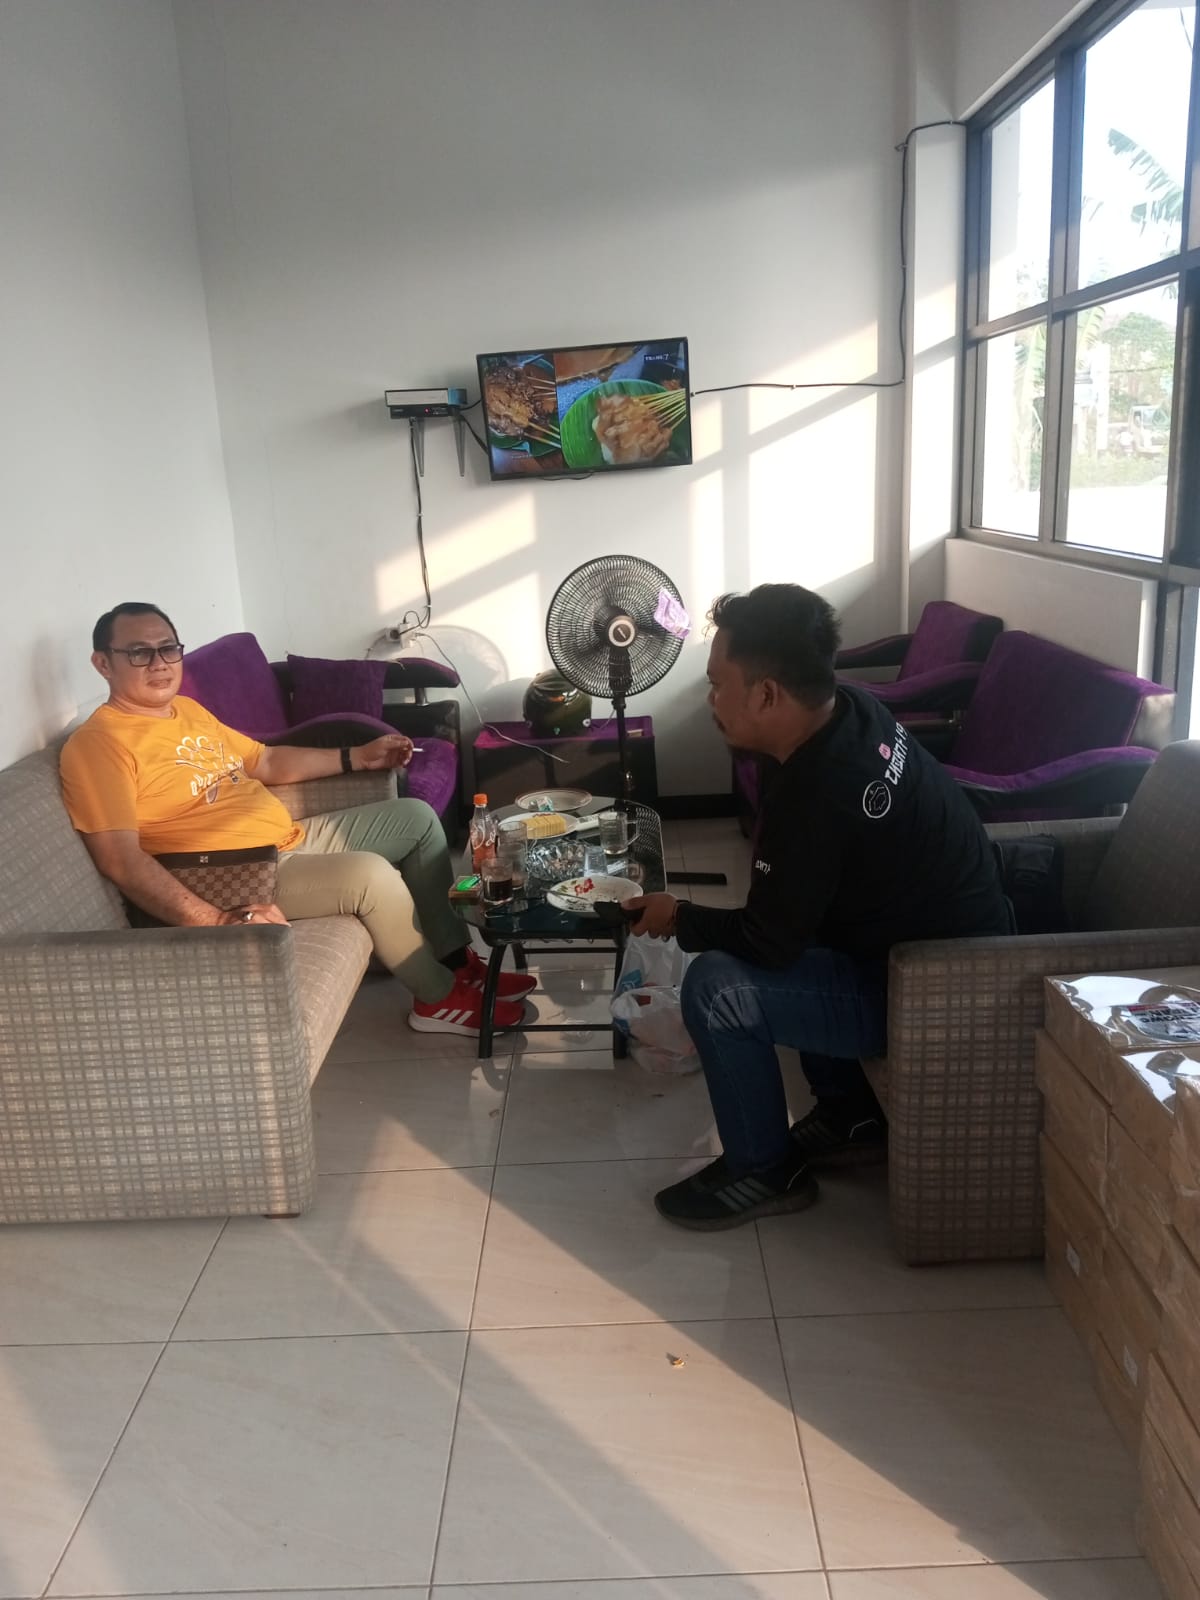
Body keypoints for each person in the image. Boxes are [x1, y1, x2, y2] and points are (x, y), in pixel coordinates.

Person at [627, 584, 1012, 1230]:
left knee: (718, 987)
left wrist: (678, 917)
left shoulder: (818, 791)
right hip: (936, 947)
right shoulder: (852, 711)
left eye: (718, 685)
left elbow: (769, 941)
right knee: (799, 930)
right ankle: (851, 1116)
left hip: (937, 989)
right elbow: (792, 905)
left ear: (767, 694)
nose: (712, 699)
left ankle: (762, 1169)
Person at [59, 602, 533, 1037]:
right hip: (231, 875)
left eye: (168, 648)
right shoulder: (99, 745)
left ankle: (455, 961)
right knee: (370, 875)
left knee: (415, 818)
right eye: (139, 653)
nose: (159, 663)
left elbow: (264, 761)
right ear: (103, 663)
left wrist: (356, 756)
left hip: (284, 839)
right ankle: (438, 998)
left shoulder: (184, 710)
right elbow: (119, 859)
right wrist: (215, 920)